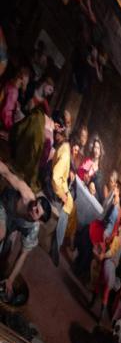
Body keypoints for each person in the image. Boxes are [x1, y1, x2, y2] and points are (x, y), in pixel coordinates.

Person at [0, 159, 52, 297]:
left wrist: (10, 280)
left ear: (39, 222)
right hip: (3, 206)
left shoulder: (33, 229)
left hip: (13, 225)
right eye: (36, 204)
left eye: (37, 212)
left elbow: (22, 255)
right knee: (1, 233)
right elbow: (6, 173)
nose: (33, 208)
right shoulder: (26, 194)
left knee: (4, 257)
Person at [48, 117, 74, 266]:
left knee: (71, 206)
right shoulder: (64, 151)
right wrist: (62, 195)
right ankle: (55, 247)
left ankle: (57, 244)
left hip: (57, 185)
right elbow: (56, 178)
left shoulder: (65, 149)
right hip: (54, 188)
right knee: (67, 205)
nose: (55, 134)